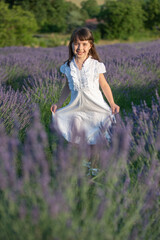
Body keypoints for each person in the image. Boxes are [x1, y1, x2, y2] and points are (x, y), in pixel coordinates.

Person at [51, 27, 120, 146]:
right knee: (76, 137)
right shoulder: (68, 66)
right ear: (71, 45)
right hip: (76, 108)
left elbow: (104, 85)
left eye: (84, 44)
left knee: (96, 139)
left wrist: (112, 103)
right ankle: (79, 161)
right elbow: (67, 86)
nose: (80, 48)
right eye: (76, 44)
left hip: (95, 108)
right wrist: (59, 103)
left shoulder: (95, 65)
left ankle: (94, 162)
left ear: (90, 46)